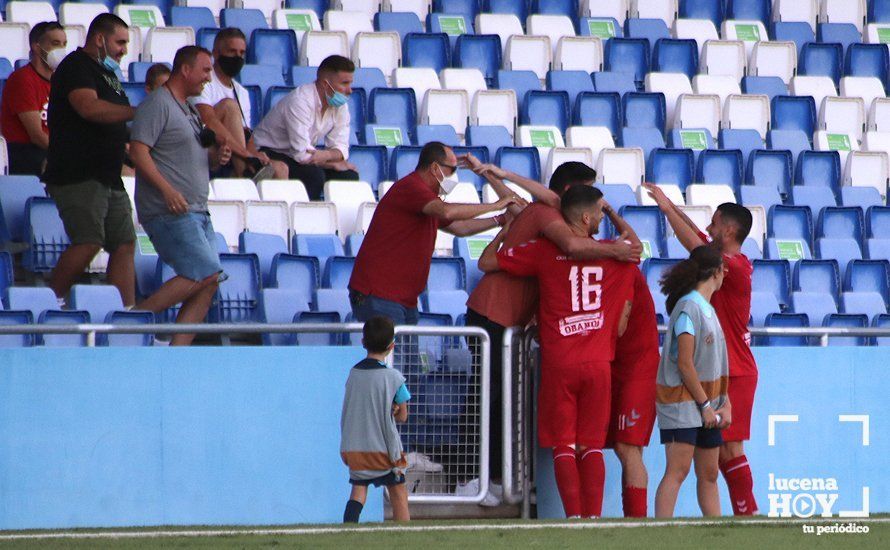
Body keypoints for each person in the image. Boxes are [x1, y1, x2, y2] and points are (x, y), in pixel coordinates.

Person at [457, 159, 642, 505]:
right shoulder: (551, 221)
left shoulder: (549, 216)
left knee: (502, 397)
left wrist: (502, 175)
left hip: (512, 320)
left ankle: (494, 477)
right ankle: (473, 477)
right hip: (493, 313)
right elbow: (574, 247)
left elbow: (521, 205)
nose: (600, 209)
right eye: (595, 201)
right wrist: (615, 247)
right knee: (489, 394)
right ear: (573, 195)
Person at [645, 184, 759, 516]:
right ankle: (743, 514)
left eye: (713, 223)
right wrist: (670, 208)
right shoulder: (707, 286)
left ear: (728, 229)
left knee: (730, 448)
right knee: (717, 455)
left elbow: (694, 243)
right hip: (718, 369)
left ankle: (747, 512)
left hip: (733, 370)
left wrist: (667, 209)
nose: (708, 228)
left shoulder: (733, 266)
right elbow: (695, 237)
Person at [349, 142, 518, 325]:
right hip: (378, 294)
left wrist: (500, 220)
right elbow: (447, 212)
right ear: (435, 168)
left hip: (404, 299)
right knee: (392, 354)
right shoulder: (411, 188)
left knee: (406, 355)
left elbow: (460, 227)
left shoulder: (428, 199)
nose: (455, 176)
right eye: (452, 170)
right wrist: (495, 205)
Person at [129, 46, 232, 346]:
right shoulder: (157, 103)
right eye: (205, 70)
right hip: (170, 209)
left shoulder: (189, 108)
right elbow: (138, 150)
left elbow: (197, 156)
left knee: (209, 280)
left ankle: (176, 354)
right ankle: (131, 322)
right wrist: (167, 190)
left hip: (197, 209)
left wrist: (217, 157)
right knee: (203, 273)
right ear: (185, 70)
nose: (208, 77)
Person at [44, 13, 136, 307]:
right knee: (88, 240)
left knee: (124, 243)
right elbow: (88, 108)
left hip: (109, 174)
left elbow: (112, 118)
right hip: (78, 173)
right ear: (99, 39)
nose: (124, 49)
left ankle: (125, 314)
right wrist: (137, 112)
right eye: (120, 42)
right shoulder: (75, 66)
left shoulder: (109, 74)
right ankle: (47, 302)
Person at [653, 245, 731, 518]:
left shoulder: (708, 309)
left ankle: (717, 533)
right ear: (717, 272)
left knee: (709, 473)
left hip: (705, 404)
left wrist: (725, 403)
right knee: (678, 470)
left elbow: (715, 364)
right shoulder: (688, 308)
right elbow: (685, 364)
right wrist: (706, 404)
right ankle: (661, 535)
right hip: (682, 404)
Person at [252, 54, 360, 200]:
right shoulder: (300, 101)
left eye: (350, 84)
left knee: (348, 176)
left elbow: (341, 148)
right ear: (324, 84)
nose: (349, 90)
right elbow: (301, 153)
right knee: (313, 175)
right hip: (269, 152)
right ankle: (305, 219)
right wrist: (330, 164)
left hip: (302, 156)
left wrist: (326, 156)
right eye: (344, 83)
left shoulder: (340, 106)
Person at [340, 316, 411, 523]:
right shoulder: (395, 378)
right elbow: (402, 416)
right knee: (398, 493)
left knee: (358, 492)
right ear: (392, 346)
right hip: (385, 452)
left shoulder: (353, 374)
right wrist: (394, 410)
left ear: (363, 343)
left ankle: (346, 535)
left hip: (356, 449)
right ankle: (405, 539)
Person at [192, 27, 281, 180]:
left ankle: (255, 191)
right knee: (229, 106)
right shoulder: (204, 81)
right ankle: (245, 174)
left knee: (281, 169)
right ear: (216, 53)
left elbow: (245, 132)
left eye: (241, 53)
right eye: (232, 52)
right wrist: (247, 155)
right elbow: (207, 120)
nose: (237, 57)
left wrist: (255, 154)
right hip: (206, 144)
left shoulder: (242, 92)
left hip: (233, 152)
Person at [607, 267, 659, 518]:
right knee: (629, 449)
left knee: (627, 447)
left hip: (638, 369)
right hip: (624, 367)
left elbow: (617, 327)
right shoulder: (623, 272)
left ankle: (636, 521)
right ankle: (635, 519)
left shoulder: (625, 273)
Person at [0, 21, 67, 176]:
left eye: (64, 44)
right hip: (25, 154)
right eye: (55, 43)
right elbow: (36, 135)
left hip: (51, 150)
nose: (61, 50)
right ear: (36, 46)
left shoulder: (60, 81)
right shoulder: (22, 79)